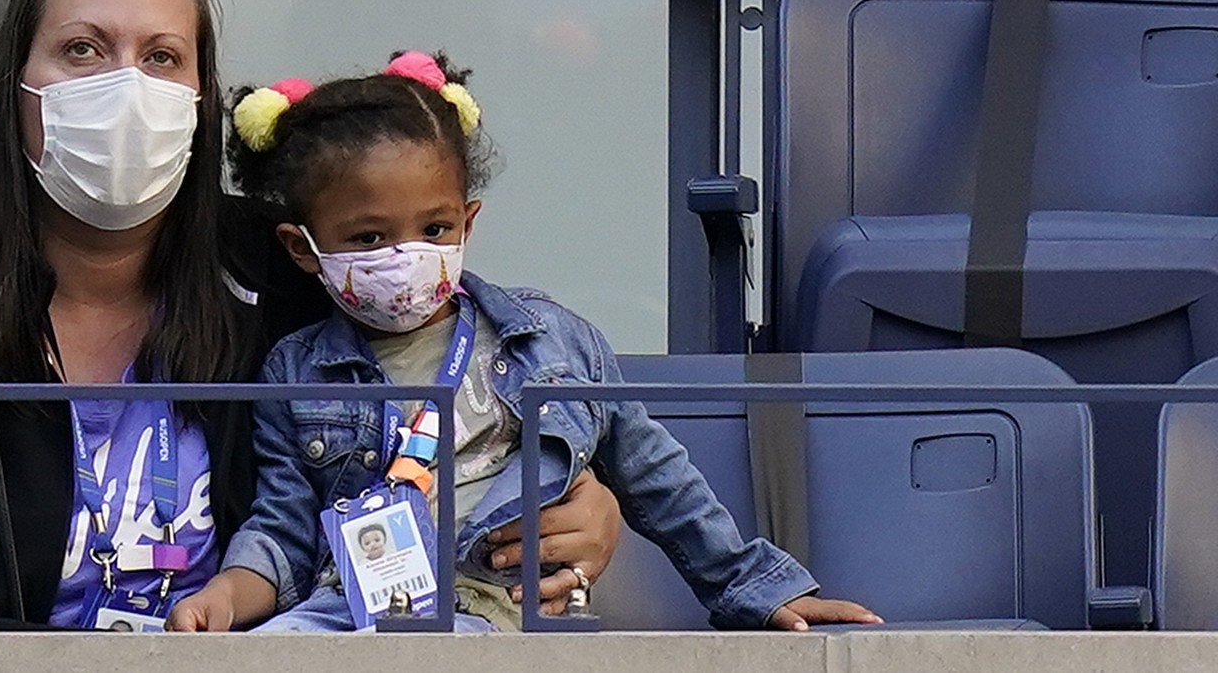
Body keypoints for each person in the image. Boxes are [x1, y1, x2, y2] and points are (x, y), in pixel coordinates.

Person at [0, 0, 623, 631]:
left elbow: (475, 388)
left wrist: (584, 505)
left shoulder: (287, 272)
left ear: (201, 97)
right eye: (83, 49)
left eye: (162, 56)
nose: (126, 85)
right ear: (16, 87)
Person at [167, 51, 883, 633]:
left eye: (435, 229)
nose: (407, 256)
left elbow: (662, 484)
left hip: (493, 610)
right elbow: (282, 529)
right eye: (368, 238)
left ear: (469, 221)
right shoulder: (293, 371)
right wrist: (226, 600)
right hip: (345, 609)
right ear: (302, 248)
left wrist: (757, 588)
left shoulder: (554, 344)